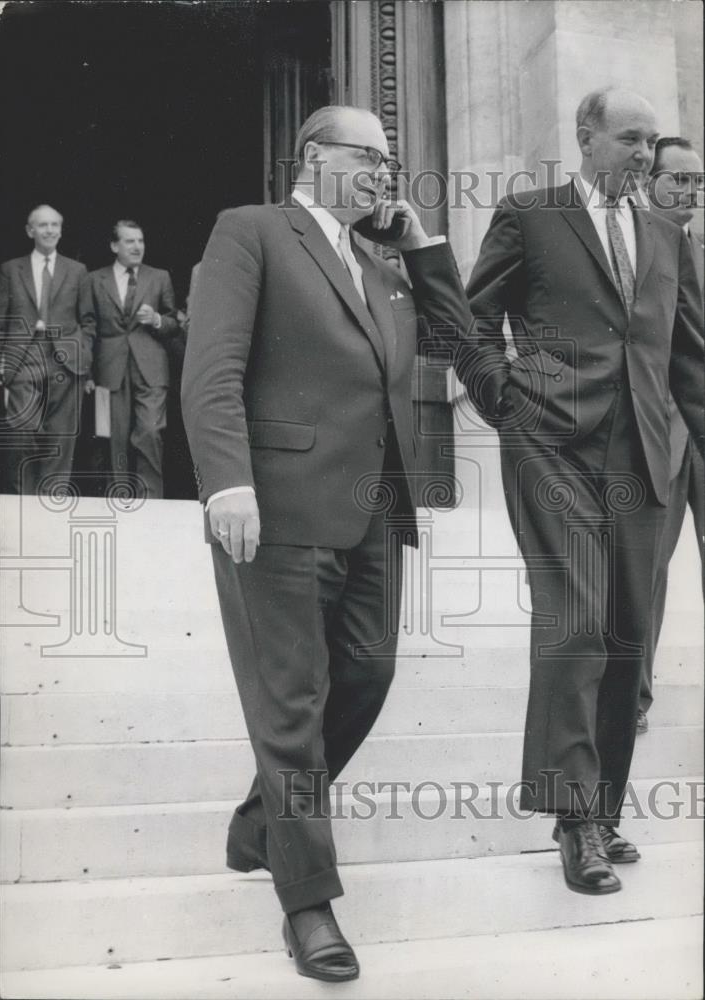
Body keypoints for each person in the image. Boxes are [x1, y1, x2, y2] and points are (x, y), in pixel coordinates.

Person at [182, 104, 469, 982]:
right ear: (311, 157)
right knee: (291, 705)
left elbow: (458, 342)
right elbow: (214, 365)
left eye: (391, 158)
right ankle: (308, 905)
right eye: (368, 155)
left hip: (371, 509)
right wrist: (227, 480)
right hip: (278, 506)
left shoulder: (385, 264)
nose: (386, 170)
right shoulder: (254, 231)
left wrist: (421, 246)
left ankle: (263, 822)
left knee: (369, 674)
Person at [457, 88, 703, 896]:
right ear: (585, 138)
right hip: (552, 447)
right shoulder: (531, 214)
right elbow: (467, 321)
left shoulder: (669, 233)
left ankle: (603, 807)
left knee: (630, 637)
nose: (642, 153)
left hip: (646, 459)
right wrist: (506, 398)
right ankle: (574, 822)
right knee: (578, 621)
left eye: (651, 141)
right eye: (629, 138)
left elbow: (690, 363)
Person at [640, 137, 705, 732]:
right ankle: (632, 700)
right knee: (646, 568)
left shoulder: (701, 248)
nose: (688, 191)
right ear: (649, 181)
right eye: (677, 179)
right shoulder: (634, 245)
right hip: (657, 431)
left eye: (696, 181)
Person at [0, 204, 95, 493]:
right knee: (22, 432)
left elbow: (88, 320)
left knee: (61, 438)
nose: (50, 230)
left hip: (66, 360)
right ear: (30, 231)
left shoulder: (77, 271)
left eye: (55, 225)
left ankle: (52, 506)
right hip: (24, 358)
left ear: (61, 230)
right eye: (43, 225)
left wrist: (83, 349)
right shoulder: (10, 270)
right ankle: (23, 505)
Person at [90, 221, 179, 499]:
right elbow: (88, 327)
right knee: (110, 438)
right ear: (114, 246)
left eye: (140, 241)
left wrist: (155, 320)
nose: (137, 246)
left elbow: (174, 323)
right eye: (129, 241)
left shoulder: (159, 277)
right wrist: (88, 373)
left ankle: (151, 502)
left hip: (151, 368)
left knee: (150, 432)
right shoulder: (94, 279)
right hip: (108, 369)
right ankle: (117, 499)